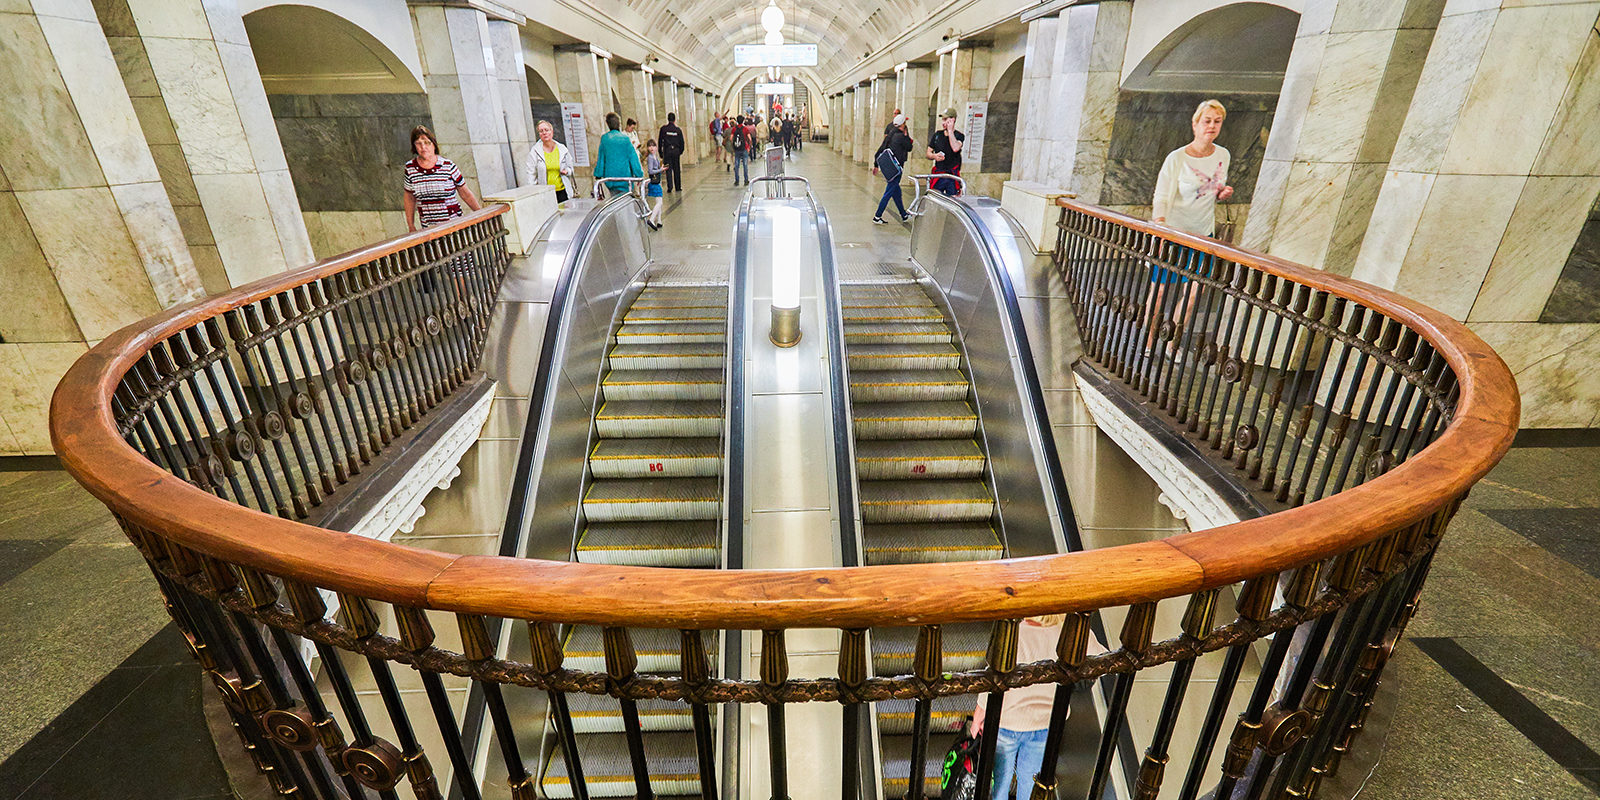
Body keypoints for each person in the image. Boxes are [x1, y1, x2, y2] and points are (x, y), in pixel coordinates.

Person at [969, 616, 1107, 800]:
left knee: (1000, 778)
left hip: (1007, 723)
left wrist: (979, 715)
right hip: (1047, 724)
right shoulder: (1072, 631)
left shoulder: (1014, 634)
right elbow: (1103, 661)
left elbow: (993, 680)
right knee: (1031, 779)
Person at [1145, 99, 1233, 358]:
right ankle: (1149, 342)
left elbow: (1211, 189)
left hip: (1202, 234)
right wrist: (1161, 228)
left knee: (1194, 293)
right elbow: (1161, 196)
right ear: (1195, 124)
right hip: (1173, 233)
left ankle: (1172, 343)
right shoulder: (1177, 158)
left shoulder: (1223, 155)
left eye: (1217, 121)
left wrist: (1221, 193)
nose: (1212, 126)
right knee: (1160, 291)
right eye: (1207, 121)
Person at [403, 124, 482, 233]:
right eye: (418, 143)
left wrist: (481, 214)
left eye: (427, 143)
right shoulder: (410, 168)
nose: (423, 147)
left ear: (434, 144)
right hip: (429, 228)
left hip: (453, 224)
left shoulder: (448, 166)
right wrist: (410, 225)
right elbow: (409, 198)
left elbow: (465, 193)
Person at [872, 113, 913, 224]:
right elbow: (909, 147)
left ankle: (903, 215)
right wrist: (906, 135)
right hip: (897, 169)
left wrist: (876, 165)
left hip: (890, 169)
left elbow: (880, 150)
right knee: (889, 192)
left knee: (896, 193)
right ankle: (877, 216)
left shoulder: (891, 135)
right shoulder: (901, 136)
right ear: (902, 124)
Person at [594, 111, 643, 197]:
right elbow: (633, 159)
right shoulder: (625, 139)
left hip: (610, 179)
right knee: (625, 199)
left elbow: (601, 159)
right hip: (625, 178)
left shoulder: (605, 139)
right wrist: (639, 174)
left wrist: (598, 174)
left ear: (607, 124)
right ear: (619, 124)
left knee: (614, 199)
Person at [528, 119, 575, 203]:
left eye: (546, 130)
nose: (544, 133)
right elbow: (531, 174)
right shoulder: (535, 151)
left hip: (563, 191)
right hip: (546, 193)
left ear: (552, 132)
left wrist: (567, 171)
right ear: (539, 134)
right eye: (541, 131)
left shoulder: (562, 149)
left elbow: (571, 168)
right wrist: (533, 193)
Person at [928, 108, 965, 196]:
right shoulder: (937, 135)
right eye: (943, 120)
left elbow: (955, 148)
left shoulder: (959, 136)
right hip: (939, 173)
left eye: (945, 119)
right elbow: (928, 152)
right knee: (935, 197)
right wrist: (934, 156)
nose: (943, 123)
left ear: (953, 120)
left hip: (952, 175)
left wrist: (950, 131)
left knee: (952, 198)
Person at [658, 112, 685, 194]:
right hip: (676, 151)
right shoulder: (678, 130)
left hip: (667, 152)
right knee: (677, 169)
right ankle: (678, 187)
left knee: (667, 169)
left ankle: (670, 187)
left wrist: (660, 152)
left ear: (668, 119)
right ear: (674, 120)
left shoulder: (663, 129)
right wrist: (680, 151)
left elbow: (660, 141)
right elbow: (682, 142)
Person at [644, 139, 664, 230]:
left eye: (653, 146)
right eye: (649, 146)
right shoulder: (650, 158)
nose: (651, 148)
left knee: (659, 201)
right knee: (659, 202)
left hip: (657, 180)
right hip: (654, 182)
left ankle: (659, 221)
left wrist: (661, 168)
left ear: (656, 147)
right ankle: (652, 219)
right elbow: (651, 171)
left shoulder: (655, 156)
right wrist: (660, 170)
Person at [730, 114, 753, 186]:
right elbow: (749, 138)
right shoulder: (745, 129)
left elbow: (731, 138)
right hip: (744, 148)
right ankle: (746, 180)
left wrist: (734, 146)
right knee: (745, 165)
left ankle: (737, 181)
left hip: (737, 149)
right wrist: (749, 147)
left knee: (736, 164)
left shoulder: (734, 129)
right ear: (743, 121)